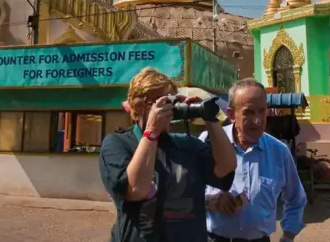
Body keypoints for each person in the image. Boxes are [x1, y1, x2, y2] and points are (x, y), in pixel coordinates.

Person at [99, 67, 237, 242]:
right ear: (139, 106)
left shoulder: (187, 145)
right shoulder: (117, 144)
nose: (168, 108)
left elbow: (226, 167)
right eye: (161, 101)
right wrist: (151, 132)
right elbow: (135, 190)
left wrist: (210, 118)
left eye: (170, 100)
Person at [201, 78, 306, 242]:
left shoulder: (279, 151)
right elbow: (186, 190)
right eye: (248, 112)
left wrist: (288, 236)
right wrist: (210, 201)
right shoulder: (208, 142)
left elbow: (296, 199)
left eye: (262, 111)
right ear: (231, 114)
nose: (257, 121)